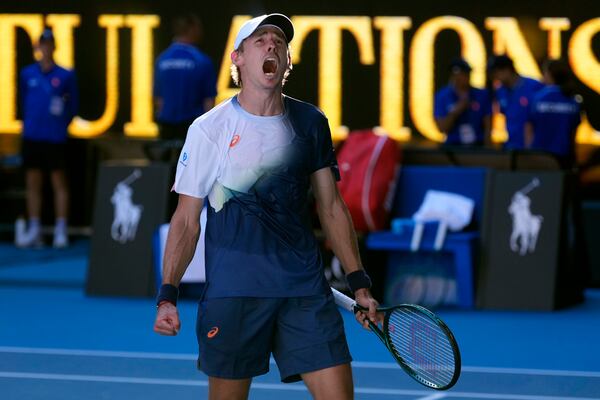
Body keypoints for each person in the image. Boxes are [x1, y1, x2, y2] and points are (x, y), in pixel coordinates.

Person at [153, 13, 379, 400]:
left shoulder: (310, 123)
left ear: (288, 61)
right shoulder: (209, 129)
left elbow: (331, 208)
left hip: (304, 291)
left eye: (278, 40)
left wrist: (359, 283)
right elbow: (187, 221)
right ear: (237, 59)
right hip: (233, 293)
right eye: (259, 40)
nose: (271, 44)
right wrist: (167, 295)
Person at [17, 28, 78, 248]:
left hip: (55, 138)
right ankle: (35, 229)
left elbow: (72, 106)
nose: (45, 47)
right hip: (32, 136)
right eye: (42, 43)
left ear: (54, 46)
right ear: (38, 46)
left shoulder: (65, 75)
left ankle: (61, 229)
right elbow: (23, 102)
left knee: (58, 181)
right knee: (33, 181)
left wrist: (60, 125)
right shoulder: (27, 74)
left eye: (49, 43)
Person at [154, 14, 217, 141]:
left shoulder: (162, 59)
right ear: (192, 30)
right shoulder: (201, 60)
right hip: (192, 127)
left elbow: (159, 100)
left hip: (166, 127)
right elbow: (209, 101)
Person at [525, 59, 582, 168]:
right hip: (563, 155)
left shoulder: (537, 98)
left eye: (544, 73)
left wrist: (529, 151)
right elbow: (573, 131)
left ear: (549, 74)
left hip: (539, 154)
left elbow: (529, 126)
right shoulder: (572, 100)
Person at [488, 54, 544, 150]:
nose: (495, 77)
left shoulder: (534, 87)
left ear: (507, 70)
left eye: (496, 73)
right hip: (512, 145)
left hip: (535, 148)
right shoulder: (500, 91)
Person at [434, 58, 492, 146]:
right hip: (454, 145)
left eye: (464, 74)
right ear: (452, 76)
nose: (461, 78)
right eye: (457, 75)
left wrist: (488, 147)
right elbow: (442, 128)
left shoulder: (482, 94)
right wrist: (455, 112)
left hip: (478, 144)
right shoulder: (442, 96)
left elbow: (488, 124)